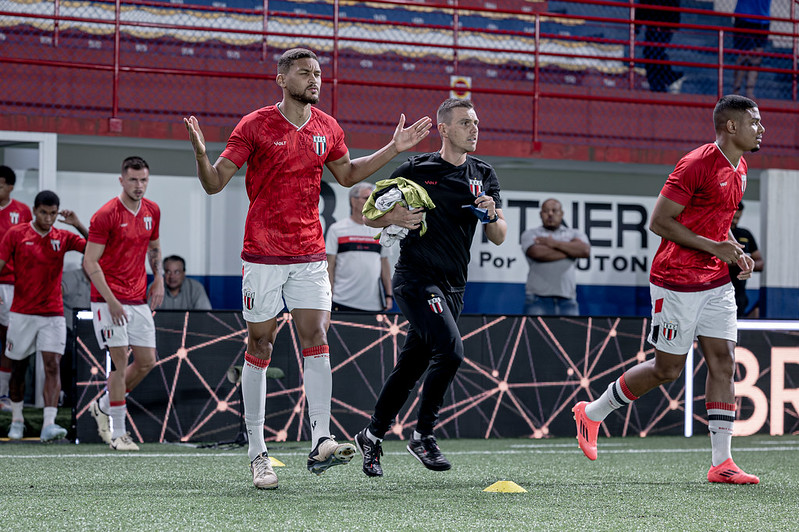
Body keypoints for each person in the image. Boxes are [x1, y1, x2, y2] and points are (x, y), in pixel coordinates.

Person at [183, 47, 432, 489]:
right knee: (260, 344)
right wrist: (202, 155)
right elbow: (215, 183)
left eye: (318, 73)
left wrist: (394, 147)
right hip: (261, 255)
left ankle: (320, 439)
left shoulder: (327, 127)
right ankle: (258, 452)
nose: (314, 79)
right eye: (304, 73)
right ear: (282, 79)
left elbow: (349, 175)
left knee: (316, 337)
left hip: (310, 254)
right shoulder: (255, 124)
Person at [573, 95, 764, 484]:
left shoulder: (741, 166)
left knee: (723, 362)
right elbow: (659, 222)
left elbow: (715, 222)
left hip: (716, 281)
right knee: (668, 369)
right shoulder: (696, 163)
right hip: (676, 279)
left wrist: (734, 253)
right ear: (731, 126)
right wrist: (716, 248)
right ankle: (592, 412)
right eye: (754, 122)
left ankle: (721, 463)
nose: (761, 129)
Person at [353, 98, 507, 478]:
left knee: (412, 365)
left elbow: (499, 235)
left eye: (475, 122)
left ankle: (371, 436)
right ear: (444, 128)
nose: (474, 129)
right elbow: (370, 214)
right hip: (416, 279)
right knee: (451, 352)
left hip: (454, 286)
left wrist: (491, 215)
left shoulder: (483, 173)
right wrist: (395, 216)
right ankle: (423, 434)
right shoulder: (417, 168)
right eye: (465, 123)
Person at [84, 156, 164, 451]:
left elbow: (154, 247)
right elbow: (89, 261)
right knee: (119, 363)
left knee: (146, 362)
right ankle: (119, 433)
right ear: (122, 180)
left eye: (143, 180)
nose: (139, 185)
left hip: (138, 297)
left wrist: (158, 278)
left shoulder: (152, 210)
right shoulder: (105, 214)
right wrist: (111, 301)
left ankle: (104, 405)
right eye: (133, 180)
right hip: (108, 300)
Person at [0, 190, 87, 441]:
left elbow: (95, 248)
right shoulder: (16, 234)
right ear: (34, 211)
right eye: (43, 212)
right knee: (18, 368)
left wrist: (78, 224)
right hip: (22, 313)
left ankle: (48, 424)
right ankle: (17, 420)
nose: (48, 218)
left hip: (53, 314)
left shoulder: (63, 236)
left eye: (53, 213)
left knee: (52, 365)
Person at [326, 183, 393, 312]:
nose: (371, 202)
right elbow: (330, 265)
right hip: (342, 300)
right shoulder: (337, 229)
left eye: (373, 199)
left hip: (374, 304)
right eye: (366, 198)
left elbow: (384, 264)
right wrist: (329, 295)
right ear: (353, 201)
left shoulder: (380, 229)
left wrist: (389, 296)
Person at [520, 198, 590, 316]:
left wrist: (552, 243)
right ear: (541, 214)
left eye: (554, 210)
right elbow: (537, 253)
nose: (550, 214)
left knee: (571, 335)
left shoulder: (574, 233)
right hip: (537, 299)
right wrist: (570, 250)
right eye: (546, 211)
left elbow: (584, 250)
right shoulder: (531, 234)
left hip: (568, 300)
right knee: (533, 334)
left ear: (561, 214)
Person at [0, 165, 32, 412]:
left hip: (13, 285)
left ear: (10, 187)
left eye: (0, 184)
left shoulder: (21, 211)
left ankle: (3, 396)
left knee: (9, 341)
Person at [636, 0, 684, 93]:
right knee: (653, 54)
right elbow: (642, 6)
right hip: (655, 25)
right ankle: (668, 79)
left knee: (654, 53)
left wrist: (673, 24)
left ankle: (665, 81)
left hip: (662, 25)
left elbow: (674, 4)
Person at [729, 202, 764, 317]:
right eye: (733, 217)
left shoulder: (745, 234)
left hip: (739, 294)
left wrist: (746, 263)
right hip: (716, 289)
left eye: (738, 218)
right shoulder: (717, 233)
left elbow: (760, 263)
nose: (735, 221)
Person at [732, 0, 772, 99]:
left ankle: (749, 92)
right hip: (744, 16)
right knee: (744, 55)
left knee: (757, 57)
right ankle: (736, 91)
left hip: (763, 19)